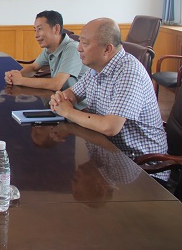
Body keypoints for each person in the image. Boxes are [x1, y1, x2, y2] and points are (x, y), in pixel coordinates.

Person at [49, 18, 168, 180]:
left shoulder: (128, 72)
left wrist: (68, 112)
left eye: (85, 43)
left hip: (141, 168)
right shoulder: (96, 68)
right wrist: (61, 99)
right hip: (109, 154)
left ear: (107, 49)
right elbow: (72, 94)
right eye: (80, 42)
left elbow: (110, 127)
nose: (79, 48)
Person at [5, 10, 87, 92]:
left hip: (75, 100)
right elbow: (33, 67)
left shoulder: (73, 48)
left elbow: (56, 84)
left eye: (40, 29)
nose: (36, 35)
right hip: (59, 96)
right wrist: (14, 76)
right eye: (35, 30)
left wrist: (20, 80)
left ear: (56, 29)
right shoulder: (49, 48)